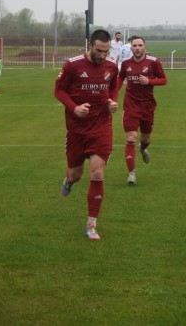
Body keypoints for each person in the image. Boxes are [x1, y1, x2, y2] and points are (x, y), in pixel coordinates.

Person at [55, 29, 119, 240]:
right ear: (89, 46)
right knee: (76, 174)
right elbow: (59, 90)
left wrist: (112, 101)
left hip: (101, 126)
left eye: (106, 51)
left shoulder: (111, 66)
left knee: (97, 173)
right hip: (76, 129)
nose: (103, 55)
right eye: (99, 50)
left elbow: (113, 87)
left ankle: (91, 225)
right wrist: (74, 108)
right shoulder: (72, 65)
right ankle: (69, 180)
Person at [118, 36, 167, 185]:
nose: (137, 48)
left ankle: (143, 148)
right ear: (131, 48)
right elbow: (119, 80)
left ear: (145, 47)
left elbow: (163, 80)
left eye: (140, 45)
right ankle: (131, 174)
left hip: (147, 107)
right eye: (135, 45)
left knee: (145, 139)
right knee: (131, 138)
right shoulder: (126, 64)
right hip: (130, 106)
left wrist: (149, 81)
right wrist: (112, 96)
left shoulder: (153, 62)